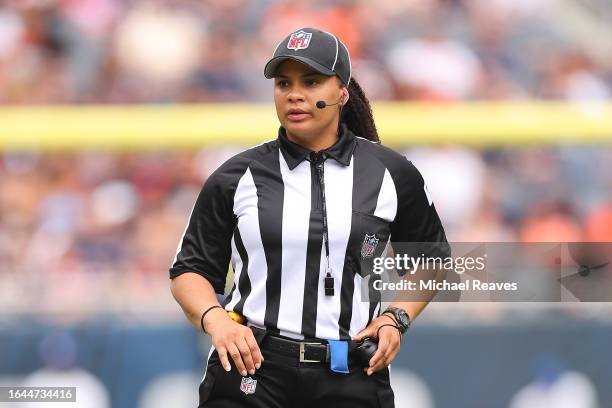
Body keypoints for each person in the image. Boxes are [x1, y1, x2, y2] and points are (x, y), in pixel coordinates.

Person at [169, 27, 450, 408]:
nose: (295, 94)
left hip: (350, 370)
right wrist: (215, 319)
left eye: (312, 81)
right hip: (253, 367)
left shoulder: (390, 172)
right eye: (284, 83)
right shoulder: (238, 176)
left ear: (343, 91)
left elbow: (432, 260)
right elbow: (190, 269)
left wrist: (396, 317)